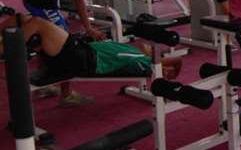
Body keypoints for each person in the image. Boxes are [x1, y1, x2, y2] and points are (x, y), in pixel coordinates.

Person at [0, 14, 182, 107]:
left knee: (38, 23)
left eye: (164, 59)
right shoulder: (134, 52)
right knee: (22, 19)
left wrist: (160, 70)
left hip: (81, 59)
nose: (162, 55)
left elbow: (167, 67)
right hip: (80, 50)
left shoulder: (139, 61)